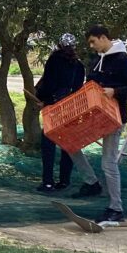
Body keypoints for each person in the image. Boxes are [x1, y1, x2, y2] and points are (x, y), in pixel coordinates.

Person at [68, 25, 127, 225]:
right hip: (92, 116)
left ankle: (116, 208)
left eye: (94, 42)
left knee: (108, 163)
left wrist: (116, 91)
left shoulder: (123, 60)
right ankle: (91, 182)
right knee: (70, 144)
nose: (93, 47)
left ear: (103, 38)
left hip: (113, 118)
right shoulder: (96, 61)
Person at [34, 33, 86, 193]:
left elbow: (48, 83)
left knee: (48, 144)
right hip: (71, 107)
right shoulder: (79, 65)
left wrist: (41, 97)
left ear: (59, 44)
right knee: (67, 145)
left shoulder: (54, 60)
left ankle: (48, 182)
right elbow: (78, 89)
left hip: (54, 106)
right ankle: (64, 181)